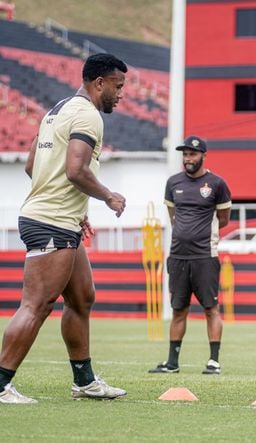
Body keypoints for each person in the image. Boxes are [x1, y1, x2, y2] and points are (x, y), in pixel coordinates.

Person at [0, 53, 128, 404]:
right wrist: (108, 197)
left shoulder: (57, 109)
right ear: (99, 83)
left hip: (60, 219)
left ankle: (84, 382)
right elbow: (76, 170)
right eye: (118, 87)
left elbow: (31, 165)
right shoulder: (87, 115)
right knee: (37, 305)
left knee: (82, 298)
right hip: (51, 222)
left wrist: (75, 207)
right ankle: (0, 384)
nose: (121, 95)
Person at [149, 135, 231, 375]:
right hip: (177, 256)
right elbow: (173, 217)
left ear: (203, 156)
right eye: (185, 154)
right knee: (178, 309)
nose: (188, 159)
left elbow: (224, 219)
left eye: (192, 154)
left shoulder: (217, 184)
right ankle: (172, 363)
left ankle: (213, 361)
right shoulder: (173, 183)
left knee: (210, 308)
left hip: (205, 256)